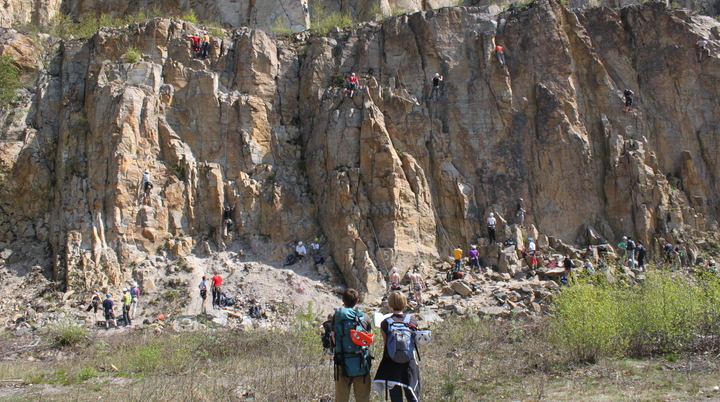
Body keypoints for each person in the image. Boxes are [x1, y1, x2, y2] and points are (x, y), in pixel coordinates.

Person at [373, 291, 421, 401]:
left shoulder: (385, 322)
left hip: (392, 363)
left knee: (395, 398)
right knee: (413, 396)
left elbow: (386, 344)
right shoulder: (412, 320)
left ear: (390, 304)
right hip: (409, 363)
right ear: (404, 303)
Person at [332, 288, 372, 402]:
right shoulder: (365, 317)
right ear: (357, 301)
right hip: (361, 363)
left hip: (342, 362)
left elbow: (334, 338)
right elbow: (368, 340)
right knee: (363, 398)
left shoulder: (337, 316)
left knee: (341, 398)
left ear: (343, 300)